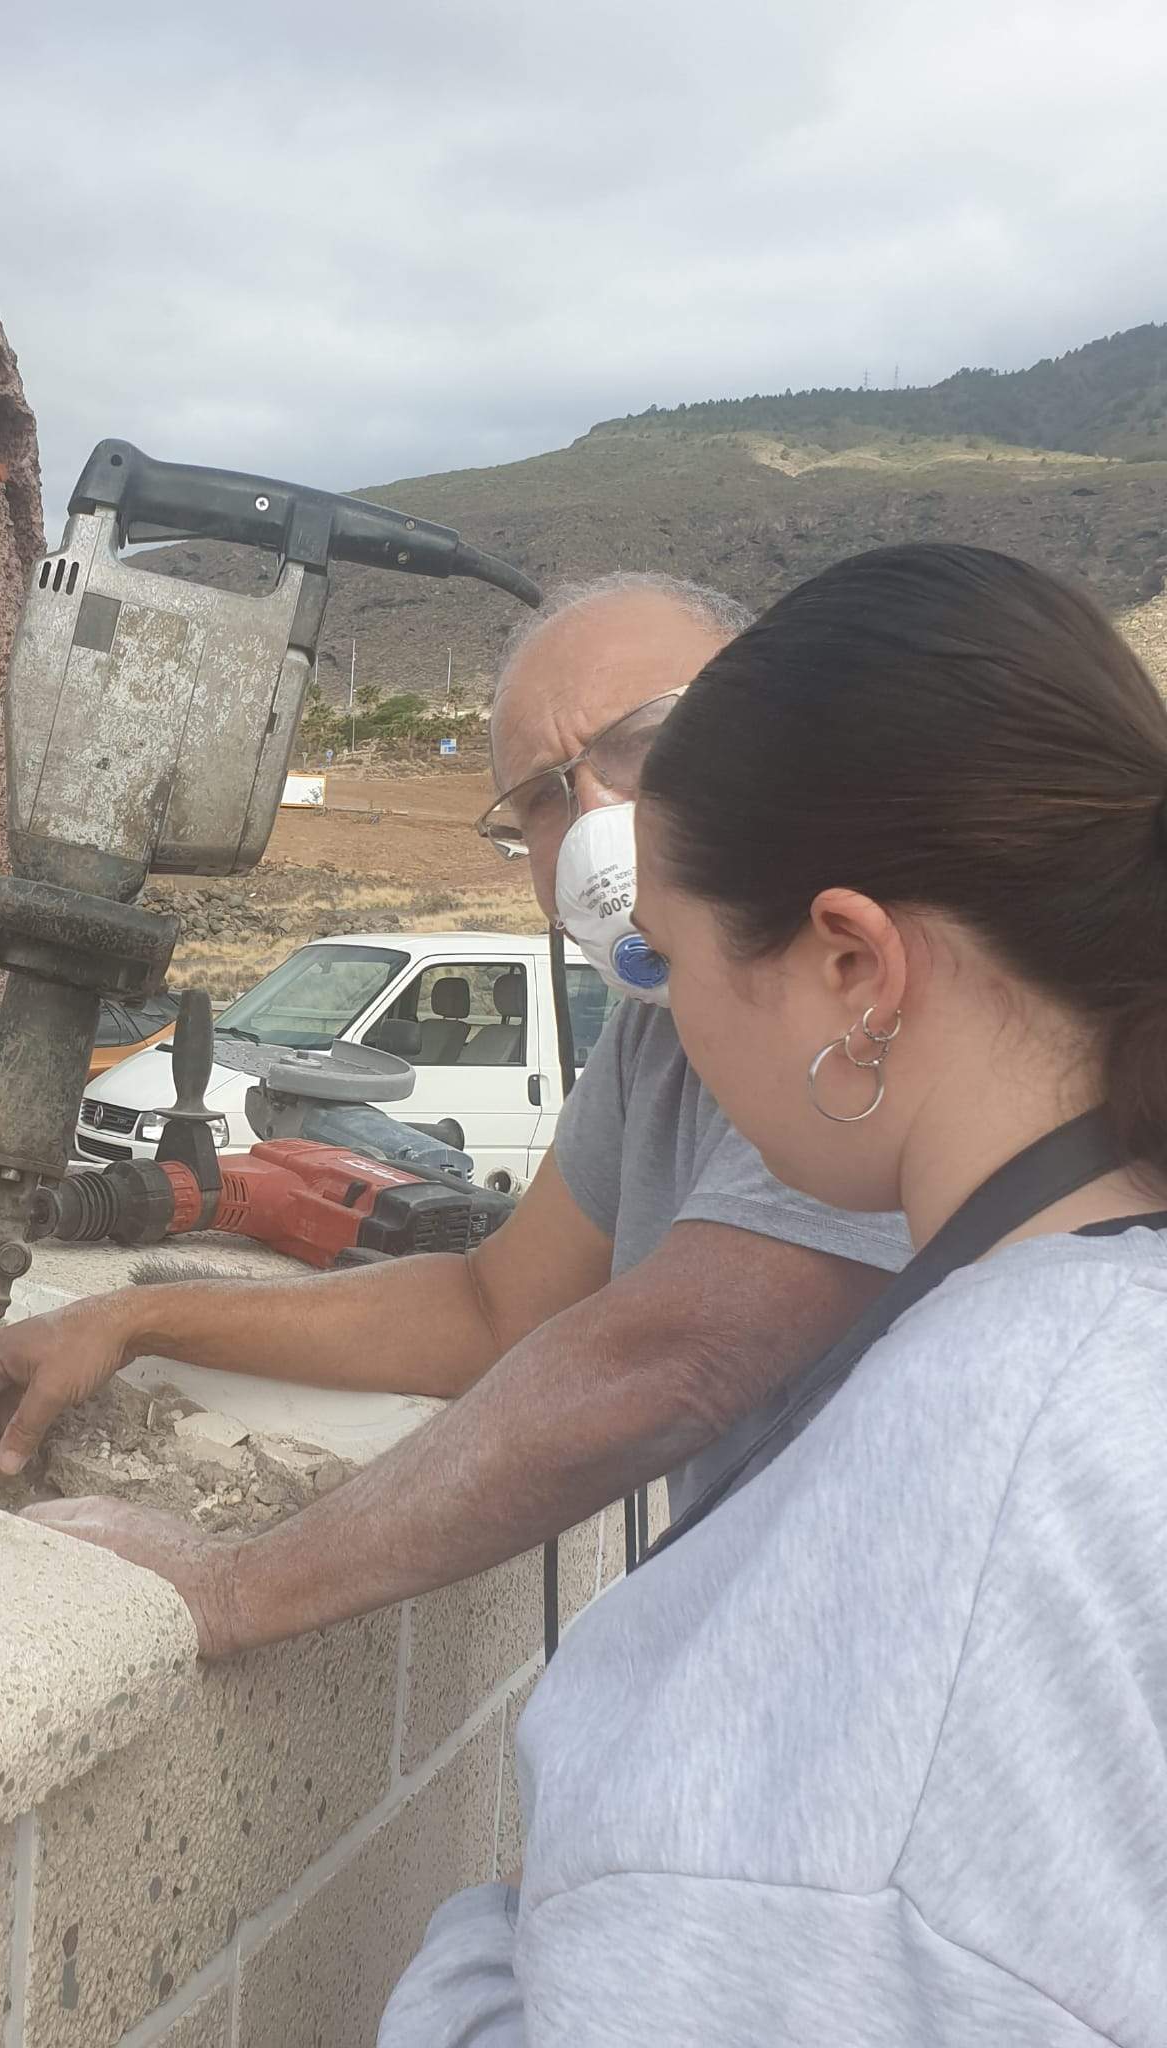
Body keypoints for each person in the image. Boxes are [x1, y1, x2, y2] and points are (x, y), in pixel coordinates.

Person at [384, 541, 1167, 2044]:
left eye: (670, 963)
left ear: (855, 971)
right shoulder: (1102, 1336)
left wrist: (494, 1939)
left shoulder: (968, 1496)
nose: (661, 1010)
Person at [0, 572, 910, 1656]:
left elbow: (669, 1361)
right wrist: (128, 1320)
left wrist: (233, 1588)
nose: (597, 822)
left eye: (647, 744)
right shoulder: (657, 1031)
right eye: (544, 800)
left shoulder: (859, 989)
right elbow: (491, 1308)